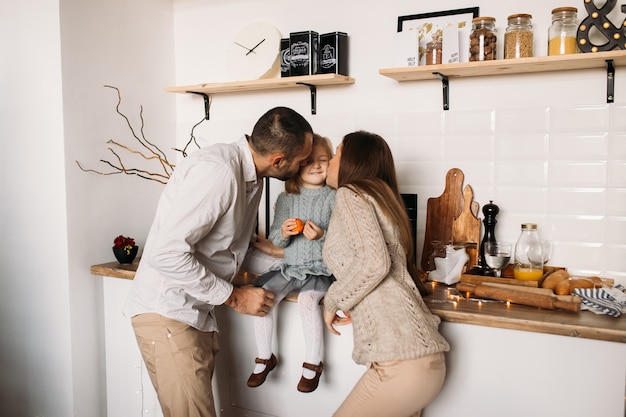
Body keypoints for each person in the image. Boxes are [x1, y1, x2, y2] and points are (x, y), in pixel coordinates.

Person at [124, 107, 313, 417]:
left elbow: (233, 248)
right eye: (302, 160)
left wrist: (295, 266)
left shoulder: (253, 177)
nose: (305, 165)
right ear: (279, 160)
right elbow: (166, 254)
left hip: (193, 313)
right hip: (168, 312)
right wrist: (235, 296)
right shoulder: (220, 172)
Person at [322, 131, 450, 417]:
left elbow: (374, 263)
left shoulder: (350, 194)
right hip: (418, 359)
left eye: (336, 153)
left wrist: (333, 301)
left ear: (352, 161)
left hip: (401, 364)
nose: (329, 161)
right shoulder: (380, 198)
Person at [247, 133, 335, 393]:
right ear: (297, 166)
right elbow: (276, 240)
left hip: (320, 270)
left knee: (308, 303)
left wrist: (322, 235)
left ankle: (312, 363)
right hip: (290, 269)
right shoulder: (287, 199)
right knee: (262, 298)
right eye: (309, 161)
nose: (317, 165)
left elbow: (342, 240)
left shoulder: (334, 197)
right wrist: (283, 233)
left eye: (323, 159)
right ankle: (265, 356)